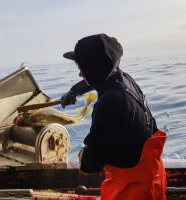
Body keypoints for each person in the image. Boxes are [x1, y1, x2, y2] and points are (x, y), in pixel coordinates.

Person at [62, 33, 167, 200]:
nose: (80, 74)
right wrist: (75, 90)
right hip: (152, 176)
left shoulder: (108, 104)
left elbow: (90, 164)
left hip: (131, 190)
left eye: (82, 68)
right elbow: (100, 79)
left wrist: (83, 152)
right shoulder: (124, 79)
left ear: (92, 70)